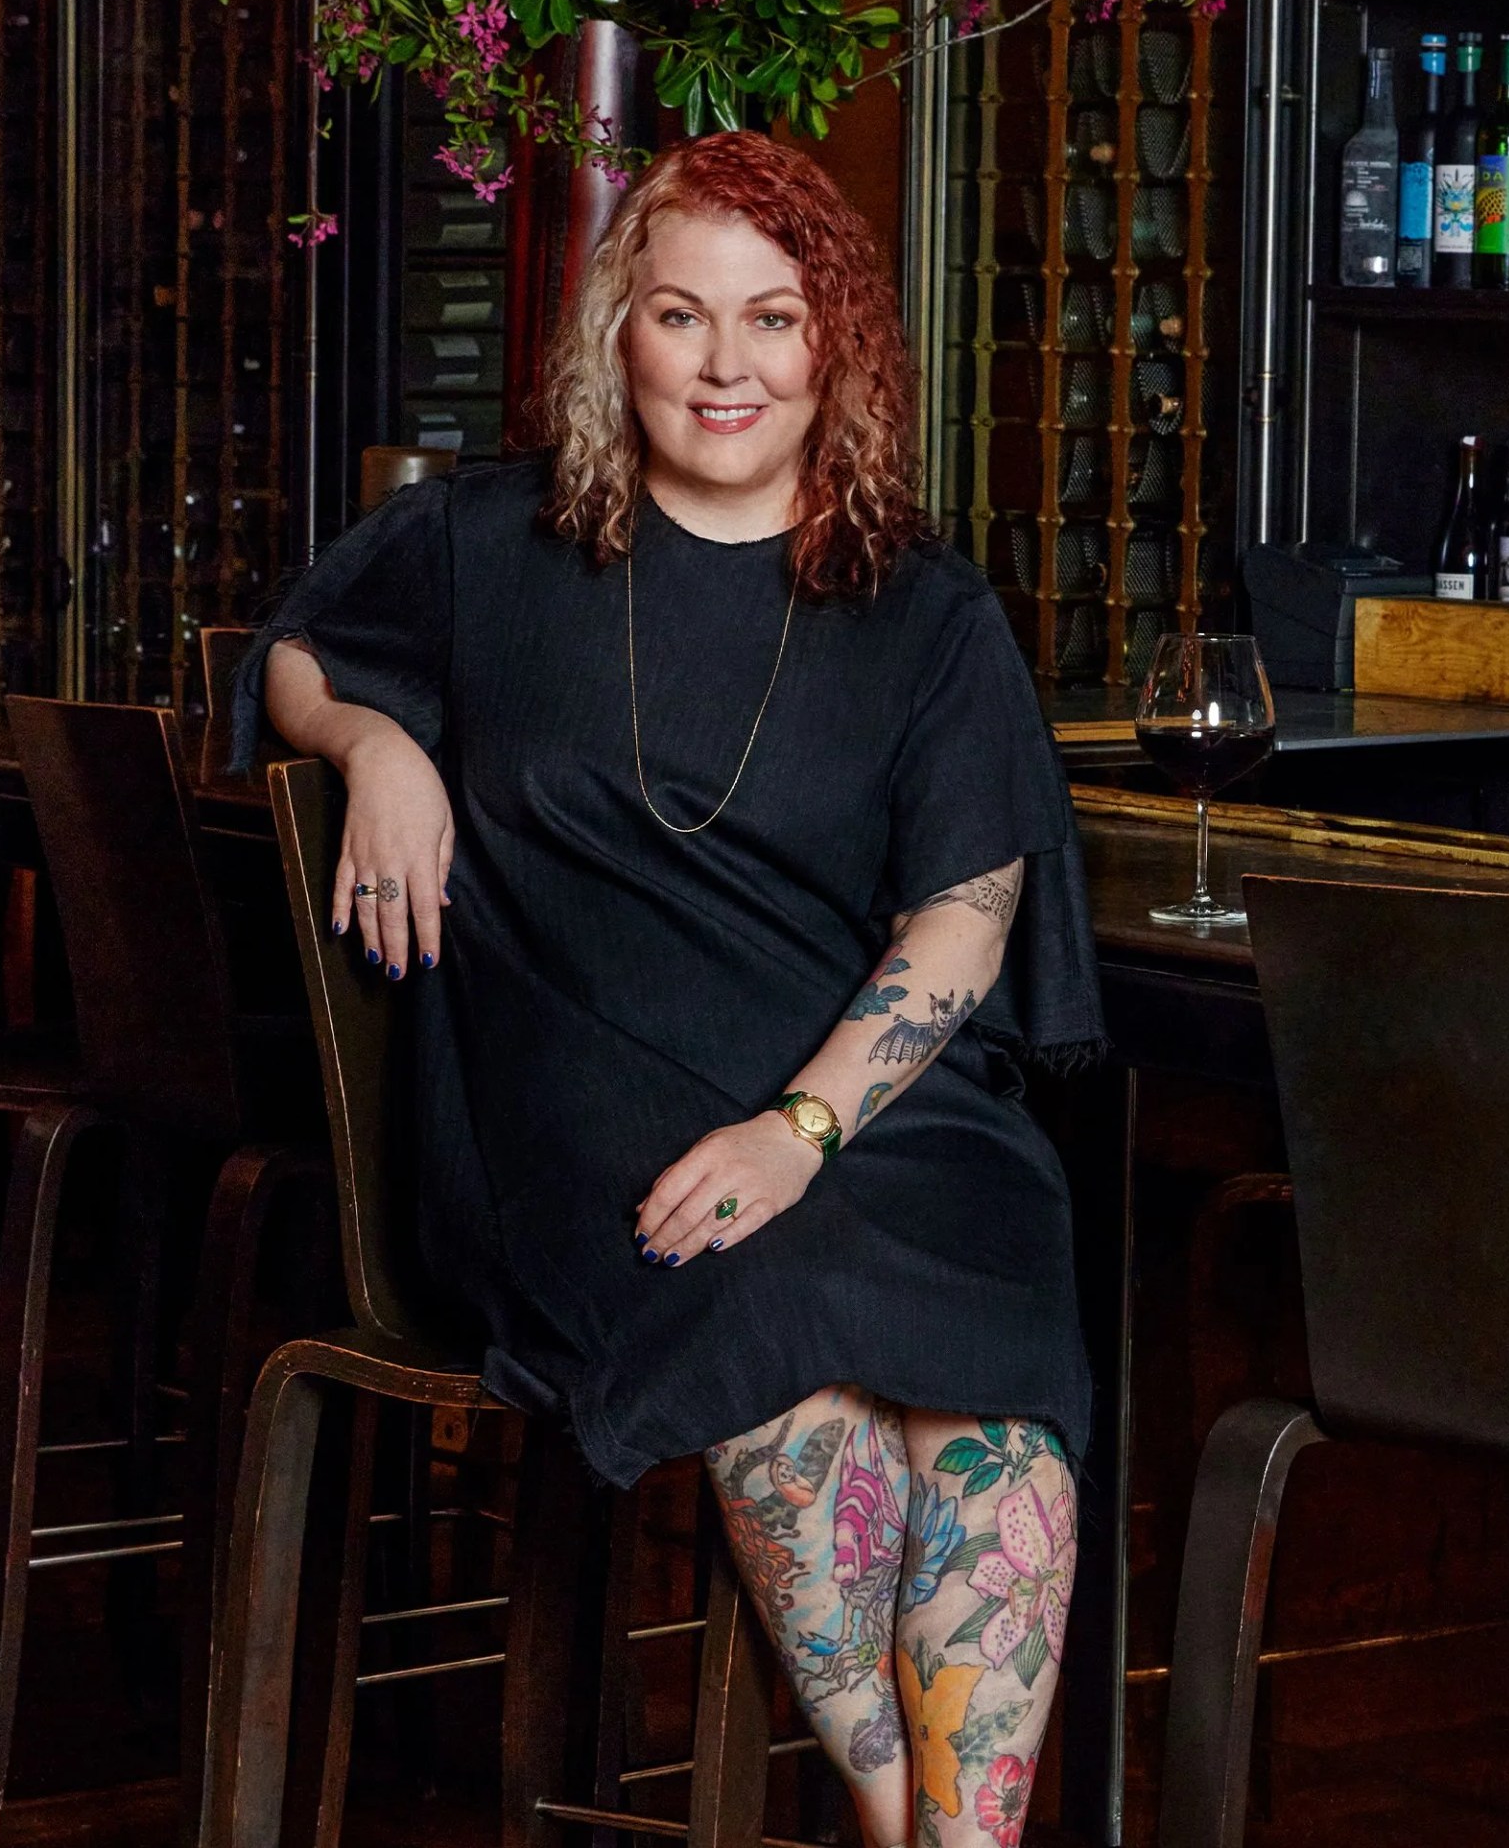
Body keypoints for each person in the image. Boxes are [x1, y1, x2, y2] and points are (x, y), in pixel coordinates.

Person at [228, 131, 1105, 1842]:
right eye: (682, 316)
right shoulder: (489, 540)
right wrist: (376, 740)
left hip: (866, 1110)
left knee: (985, 1351)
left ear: (830, 345)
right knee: (776, 1324)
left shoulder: (924, 605)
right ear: (613, 334)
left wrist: (802, 1127)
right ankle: (898, 1824)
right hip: (582, 1114)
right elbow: (295, 657)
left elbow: (969, 911)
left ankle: (958, 1845)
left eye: (772, 321)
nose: (725, 365)